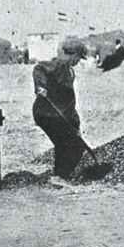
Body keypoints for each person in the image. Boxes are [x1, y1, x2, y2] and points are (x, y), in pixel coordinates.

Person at [33, 40, 87, 179]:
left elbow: (69, 102)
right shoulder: (59, 64)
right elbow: (39, 68)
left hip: (56, 115)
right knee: (72, 146)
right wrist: (41, 86)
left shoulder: (69, 70)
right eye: (78, 57)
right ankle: (61, 177)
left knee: (65, 144)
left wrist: (76, 125)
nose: (78, 61)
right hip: (48, 113)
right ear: (73, 54)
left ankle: (60, 176)